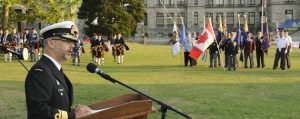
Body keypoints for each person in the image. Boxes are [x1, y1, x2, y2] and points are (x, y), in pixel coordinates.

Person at [25, 21, 92, 119]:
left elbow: (55, 104)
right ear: (51, 43)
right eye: (67, 41)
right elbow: (39, 112)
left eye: (73, 42)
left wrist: (72, 110)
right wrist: (72, 116)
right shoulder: (39, 72)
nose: (72, 46)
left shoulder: (53, 69)